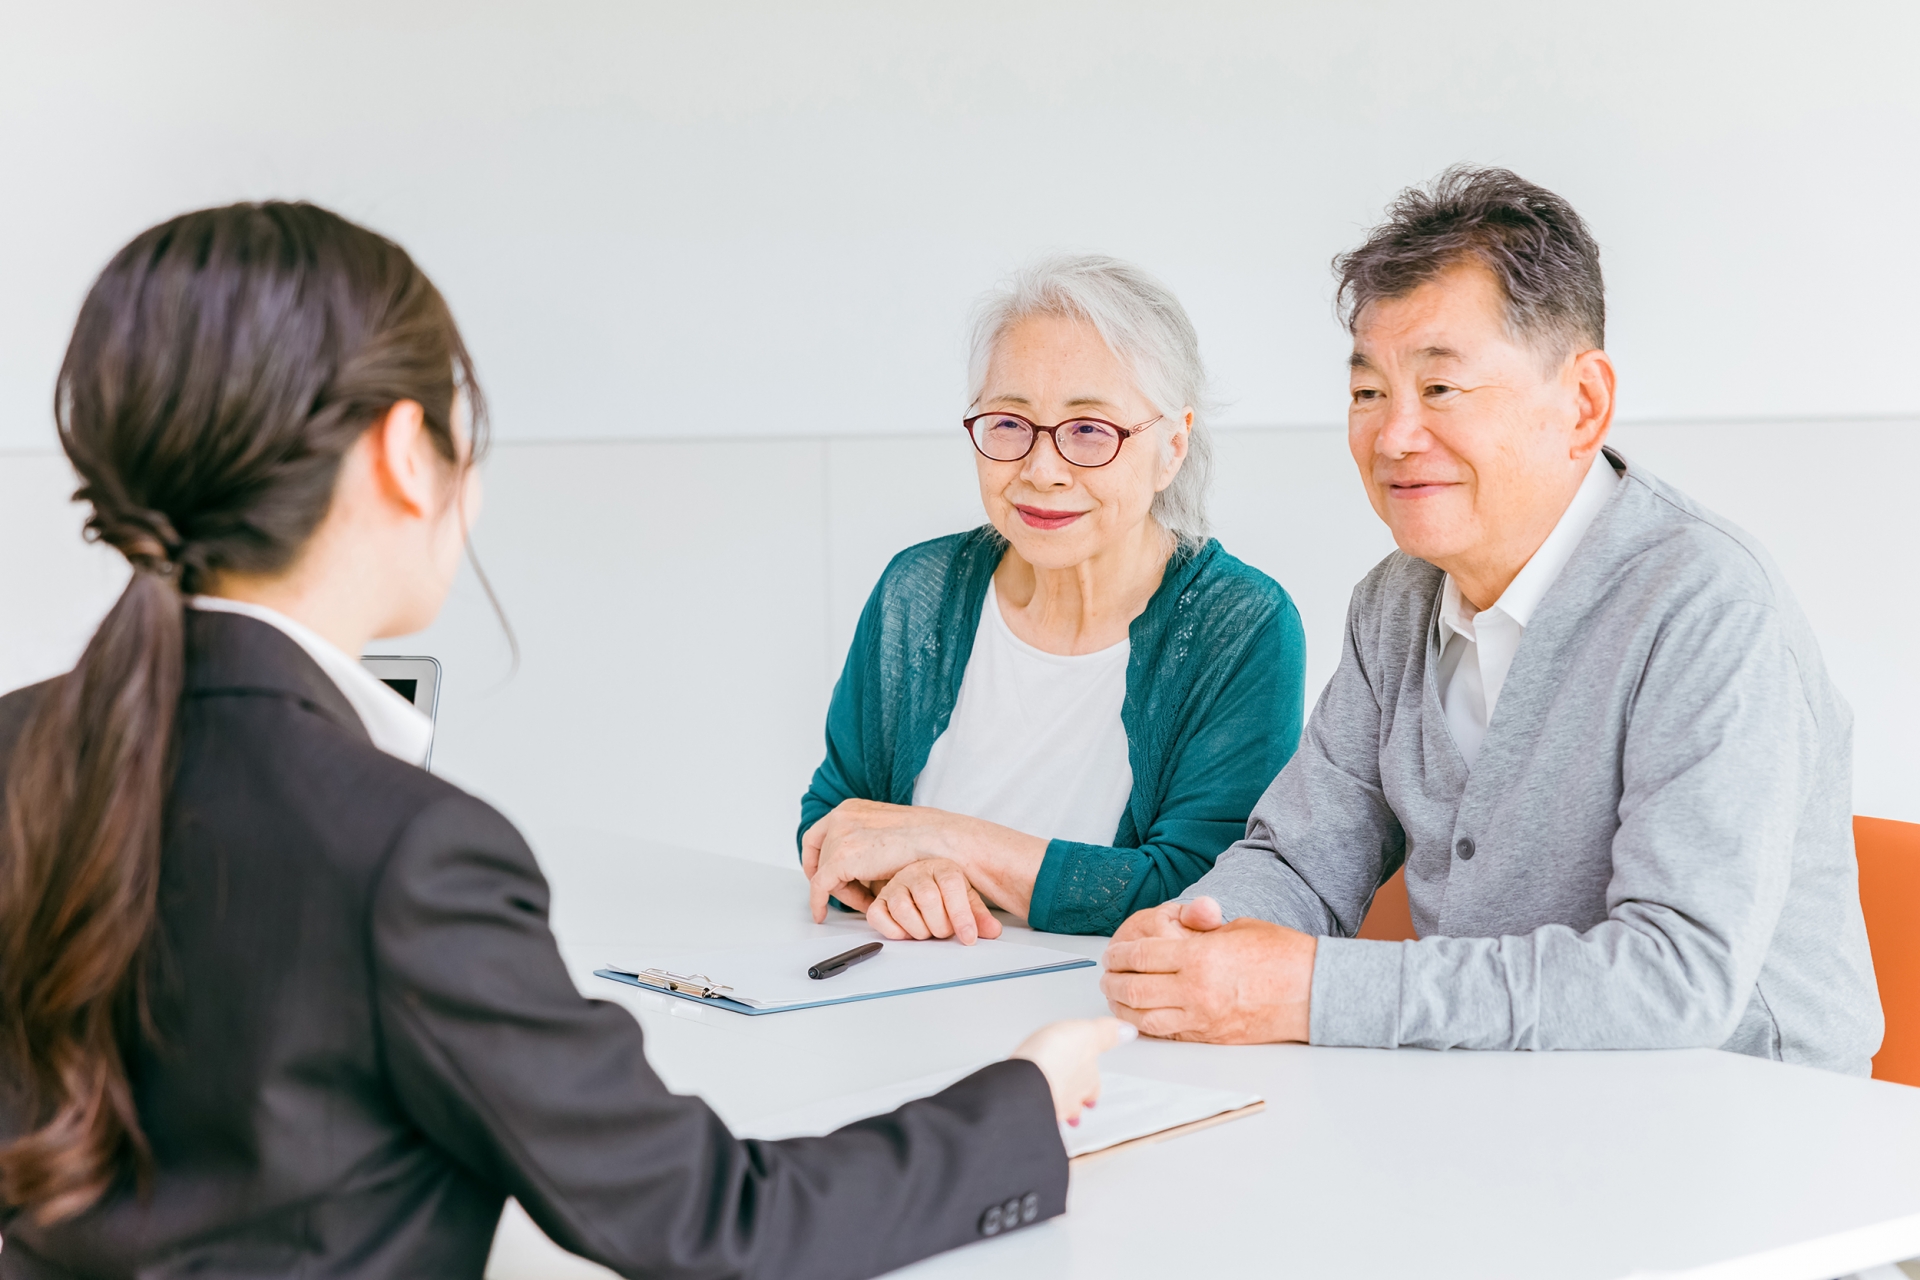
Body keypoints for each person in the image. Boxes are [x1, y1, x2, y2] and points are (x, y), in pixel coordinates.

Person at [0, 203, 1128, 1278]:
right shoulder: (410, 855)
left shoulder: (20, 748)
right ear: (404, 453)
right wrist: (1020, 1102)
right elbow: (718, 1225)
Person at [1100, 167, 1883, 1074]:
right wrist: (1201, 936)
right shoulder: (1395, 600)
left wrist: (1314, 990)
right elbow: (1303, 859)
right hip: (1500, 1096)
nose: (1394, 437)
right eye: (1368, 393)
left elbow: (1676, 979)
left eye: (1441, 388)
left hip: (1744, 1113)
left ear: (1583, 404)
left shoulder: (1706, 607)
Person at [801, 255, 1307, 941]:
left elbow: (1204, 891)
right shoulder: (918, 590)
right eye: (1010, 423)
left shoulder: (1240, 624)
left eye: (1090, 430)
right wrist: (907, 880)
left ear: (1172, 447)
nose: (1042, 471)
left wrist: (948, 842)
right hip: (901, 987)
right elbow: (835, 818)